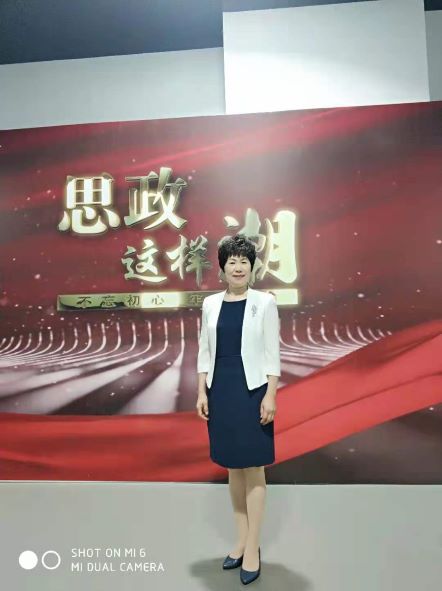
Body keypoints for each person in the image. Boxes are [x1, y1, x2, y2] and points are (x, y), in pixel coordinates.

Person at [196, 233, 281, 585]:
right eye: (232, 261)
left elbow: (272, 353)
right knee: (233, 466)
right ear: (222, 267)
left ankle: (253, 548)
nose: (238, 267)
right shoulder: (210, 304)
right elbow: (204, 350)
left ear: (252, 267)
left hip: (253, 390)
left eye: (244, 261)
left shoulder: (265, 302)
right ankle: (241, 540)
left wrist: (271, 395)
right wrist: (201, 391)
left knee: (253, 466)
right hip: (221, 390)